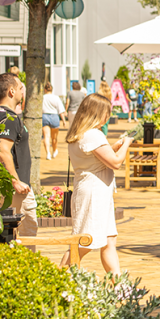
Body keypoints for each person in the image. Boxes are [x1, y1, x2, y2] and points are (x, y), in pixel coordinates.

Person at [60, 93, 133, 273]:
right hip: (94, 194)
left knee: (108, 241)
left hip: (94, 191)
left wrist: (113, 147)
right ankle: (58, 277)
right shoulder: (93, 134)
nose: (107, 117)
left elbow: (96, 159)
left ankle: (118, 286)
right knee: (84, 242)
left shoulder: (80, 133)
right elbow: (116, 163)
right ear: (97, 113)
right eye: (106, 113)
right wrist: (126, 144)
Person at [0, 73, 38, 244]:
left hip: (14, 187)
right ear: (11, 91)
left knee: (15, 234)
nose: (22, 91)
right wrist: (15, 181)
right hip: (16, 190)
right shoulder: (9, 118)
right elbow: (2, 151)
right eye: (20, 88)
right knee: (22, 237)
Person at [41, 82, 67, 160]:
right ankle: (54, 151)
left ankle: (48, 153)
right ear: (52, 89)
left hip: (45, 116)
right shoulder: (56, 98)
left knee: (46, 137)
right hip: (55, 117)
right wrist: (64, 121)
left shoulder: (42, 97)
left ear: (45, 90)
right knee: (54, 138)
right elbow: (60, 110)